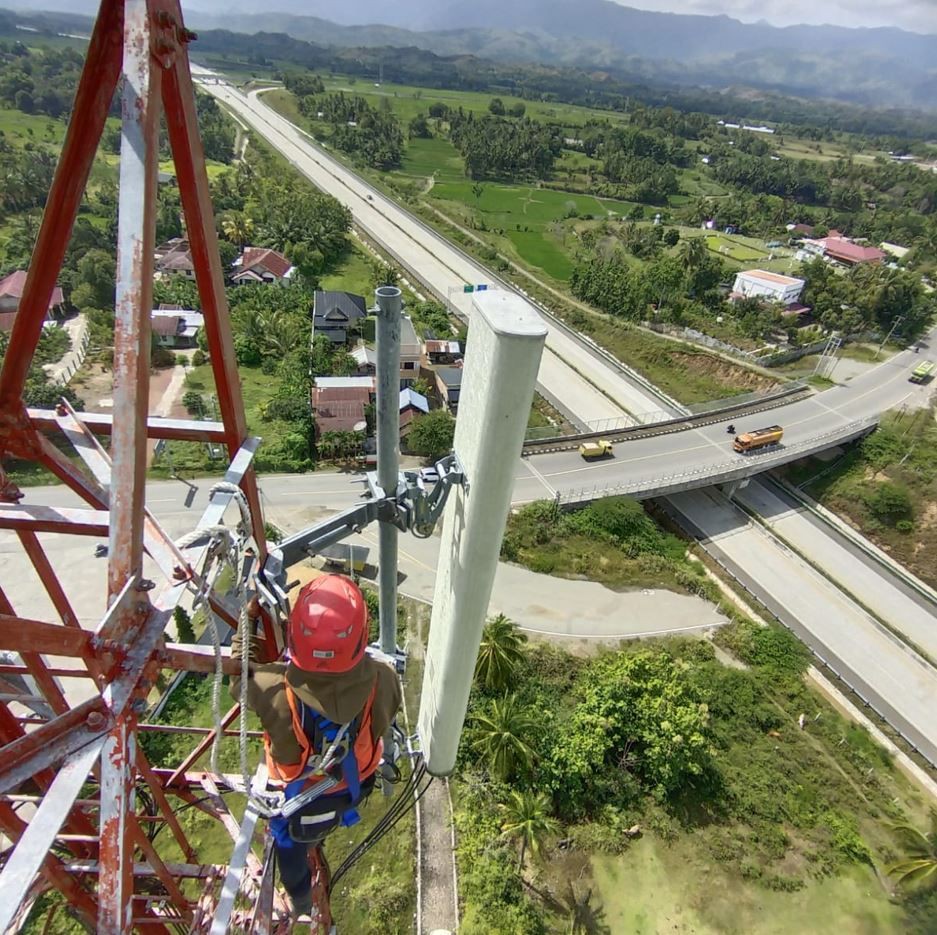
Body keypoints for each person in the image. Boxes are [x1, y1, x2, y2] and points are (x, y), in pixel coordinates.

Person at [231, 574, 401, 918]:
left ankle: (302, 902)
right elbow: (384, 717)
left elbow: (239, 675)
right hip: (354, 786)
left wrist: (247, 621)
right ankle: (318, 843)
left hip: (295, 798)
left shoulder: (271, 687)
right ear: (361, 637)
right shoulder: (383, 679)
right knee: (314, 826)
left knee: (290, 849)